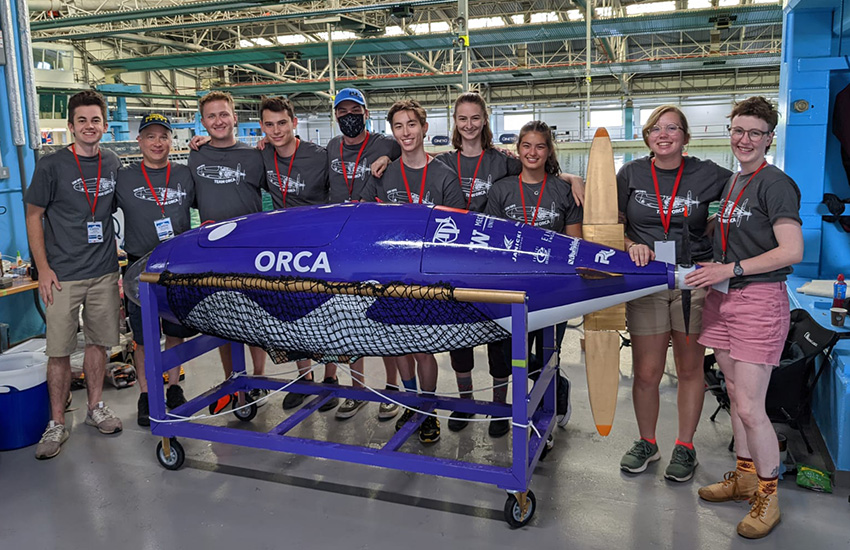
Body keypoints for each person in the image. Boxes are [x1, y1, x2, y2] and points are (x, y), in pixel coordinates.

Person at [685, 96, 803, 539]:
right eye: (738, 131)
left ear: (770, 138)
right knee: (734, 394)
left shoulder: (775, 183)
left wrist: (729, 269)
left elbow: (792, 250)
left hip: (756, 301)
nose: (745, 139)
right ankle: (746, 474)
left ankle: (769, 496)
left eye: (755, 132)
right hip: (723, 298)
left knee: (753, 408)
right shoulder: (735, 182)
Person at [434, 92, 585, 435]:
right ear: (454, 123)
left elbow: (542, 175)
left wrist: (575, 179)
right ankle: (467, 402)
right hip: (460, 263)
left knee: (521, 350)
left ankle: (514, 406)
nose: (469, 124)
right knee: (472, 340)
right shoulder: (442, 163)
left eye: (475, 118)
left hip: (524, 276)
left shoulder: (503, 164)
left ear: (485, 120)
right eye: (462, 118)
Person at [616, 105, 732, 482]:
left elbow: (748, 188)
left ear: (685, 136)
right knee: (646, 371)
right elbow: (610, 221)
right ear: (647, 136)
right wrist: (629, 242)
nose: (663, 135)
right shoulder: (630, 173)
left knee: (689, 368)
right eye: (655, 129)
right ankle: (647, 441)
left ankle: (685, 446)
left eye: (672, 128)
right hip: (647, 281)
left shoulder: (709, 173)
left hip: (693, 282)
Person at [25, 89, 123, 459]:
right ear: (70, 126)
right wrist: (43, 269)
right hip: (62, 274)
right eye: (81, 120)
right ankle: (56, 423)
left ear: (104, 125)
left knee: (99, 342)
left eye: (95, 120)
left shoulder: (112, 162)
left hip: (102, 271)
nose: (88, 126)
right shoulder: (51, 166)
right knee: (60, 350)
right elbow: (34, 216)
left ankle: (95, 407)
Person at [361, 99, 466, 444]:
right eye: (398, 127)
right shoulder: (384, 173)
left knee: (422, 348)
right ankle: (410, 401)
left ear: (424, 128)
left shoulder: (445, 176)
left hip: (427, 277)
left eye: (411, 125)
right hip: (391, 274)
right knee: (396, 344)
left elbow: (457, 234)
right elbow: (372, 224)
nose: (405, 132)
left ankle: (428, 408)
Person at [485, 120, 583, 436]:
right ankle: (510, 408)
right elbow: (493, 245)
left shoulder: (563, 190)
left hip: (551, 289)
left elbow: (573, 244)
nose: (533, 152)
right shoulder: (502, 189)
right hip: (511, 287)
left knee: (546, 352)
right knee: (505, 352)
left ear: (548, 150)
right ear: (518, 150)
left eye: (540, 146)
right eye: (526, 145)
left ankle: (545, 412)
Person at [257, 96, 340, 413]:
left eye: (282, 123)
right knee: (292, 318)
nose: (276, 131)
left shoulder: (319, 156)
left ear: (294, 122)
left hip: (319, 248)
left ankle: (330, 379)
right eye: (269, 124)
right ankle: (304, 377)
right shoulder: (263, 155)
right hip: (283, 250)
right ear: (263, 127)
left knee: (327, 316)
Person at [325, 88, 402, 421]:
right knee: (348, 320)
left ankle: (392, 388)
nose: (348, 117)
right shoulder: (330, 147)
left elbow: (409, 149)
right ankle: (356, 390)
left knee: (383, 317)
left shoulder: (385, 144)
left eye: (354, 111)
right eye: (341, 112)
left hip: (374, 242)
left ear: (366, 113)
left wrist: (388, 157)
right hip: (340, 244)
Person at [188, 91, 269, 407]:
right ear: (203, 122)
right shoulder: (196, 155)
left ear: (235, 118)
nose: (218, 121)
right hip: (214, 252)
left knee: (255, 318)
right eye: (211, 116)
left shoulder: (254, 156)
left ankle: (258, 379)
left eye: (224, 114)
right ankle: (233, 379)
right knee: (222, 319)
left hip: (250, 250)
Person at [116, 113, 195, 427]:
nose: (157, 143)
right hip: (139, 267)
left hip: (176, 266)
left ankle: (174, 387)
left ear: (170, 140)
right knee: (144, 338)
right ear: (140, 141)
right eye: (150, 136)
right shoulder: (124, 177)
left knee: (176, 332)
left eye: (163, 136)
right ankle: (147, 394)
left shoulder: (184, 174)